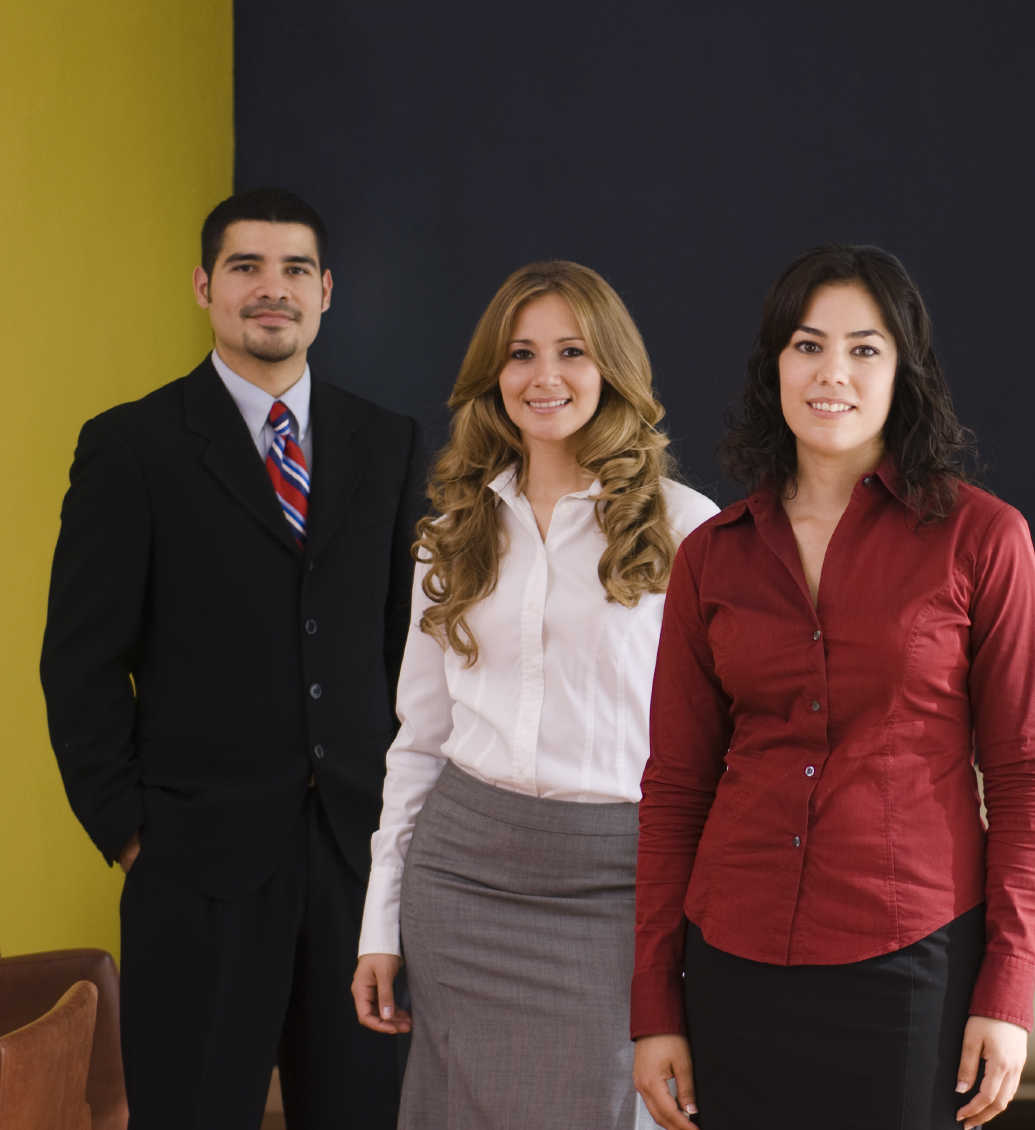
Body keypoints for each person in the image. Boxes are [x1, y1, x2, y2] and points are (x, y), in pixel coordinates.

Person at [630, 244, 1035, 1130]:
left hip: (912, 961)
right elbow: (675, 787)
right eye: (808, 345)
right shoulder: (709, 556)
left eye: (865, 348)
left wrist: (1008, 989)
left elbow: (1025, 775)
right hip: (733, 959)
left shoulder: (984, 538)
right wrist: (656, 1004)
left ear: (905, 371)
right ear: (774, 366)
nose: (833, 373)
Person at [40, 188, 424, 1129]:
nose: (272, 288)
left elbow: (406, 647)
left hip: (356, 859)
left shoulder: (388, 442)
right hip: (195, 865)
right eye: (246, 267)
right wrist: (132, 835)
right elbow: (81, 662)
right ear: (204, 286)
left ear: (326, 291)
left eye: (295, 269)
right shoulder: (131, 445)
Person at [348, 261, 717, 1127]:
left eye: (572, 351)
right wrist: (379, 923)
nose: (544, 375)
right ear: (494, 374)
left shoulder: (688, 528)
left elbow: (721, 747)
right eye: (520, 353)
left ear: (612, 367)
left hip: (619, 885)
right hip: (460, 878)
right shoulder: (450, 536)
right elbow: (417, 741)